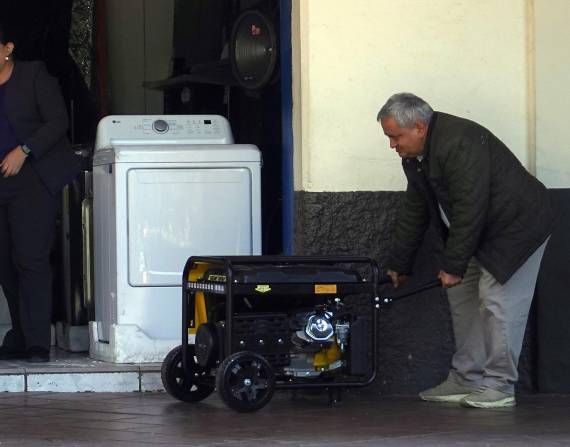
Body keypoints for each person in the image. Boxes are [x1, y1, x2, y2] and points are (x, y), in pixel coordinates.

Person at [377, 92, 555, 408]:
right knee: (462, 300)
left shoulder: (458, 143)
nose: (392, 145)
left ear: (418, 127)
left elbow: (470, 207)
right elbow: (414, 209)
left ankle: (500, 386)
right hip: (476, 232)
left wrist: (454, 265)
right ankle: (465, 378)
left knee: (497, 302)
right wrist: (399, 264)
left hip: (516, 229)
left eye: (395, 136)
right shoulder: (416, 156)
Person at [0, 23, 81, 362]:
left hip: (32, 178)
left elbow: (58, 120)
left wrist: (25, 149)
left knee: (30, 259)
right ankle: (19, 334)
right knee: (4, 264)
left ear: (7, 48)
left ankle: (36, 341)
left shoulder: (33, 76)